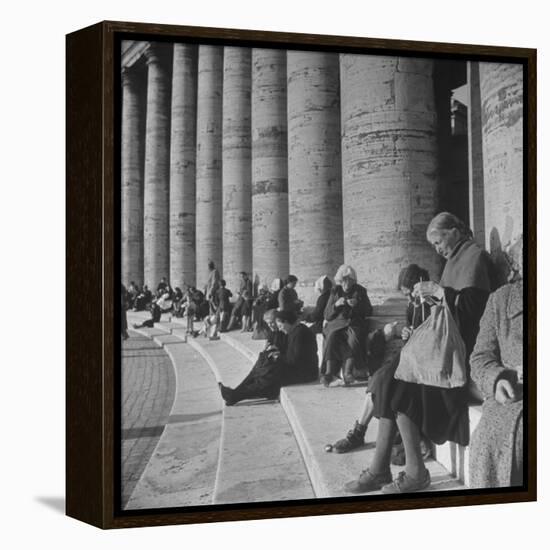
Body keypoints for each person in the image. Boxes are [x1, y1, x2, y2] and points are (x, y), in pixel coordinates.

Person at [345, 212, 493, 495]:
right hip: (443, 347)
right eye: (434, 245)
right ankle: (380, 469)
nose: (438, 249)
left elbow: (475, 311)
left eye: (438, 242)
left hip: (460, 354)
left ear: (454, 230)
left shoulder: (475, 257)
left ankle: (415, 472)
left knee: (400, 385)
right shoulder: (453, 261)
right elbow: (449, 304)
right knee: (387, 378)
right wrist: (434, 297)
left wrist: (439, 292)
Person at [329, 265, 429, 454]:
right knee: (378, 379)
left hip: (424, 361)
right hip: (410, 355)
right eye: (406, 295)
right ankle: (358, 431)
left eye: (411, 294)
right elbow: (411, 329)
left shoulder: (431, 304)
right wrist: (406, 333)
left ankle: (359, 434)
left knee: (383, 381)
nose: (409, 299)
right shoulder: (413, 305)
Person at [469, 238, 523, 488]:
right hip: (511, 399)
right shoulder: (500, 300)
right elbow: (480, 357)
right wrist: (497, 379)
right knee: (488, 444)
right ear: (518, 265)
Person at [219, 310, 288, 405]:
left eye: (272, 323)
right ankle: (234, 393)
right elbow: (267, 348)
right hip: (267, 363)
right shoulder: (272, 333)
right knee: (253, 373)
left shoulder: (283, 332)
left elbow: (284, 352)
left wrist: (274, 351)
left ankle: (234, 395)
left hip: (274, 368)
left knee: (258, 377)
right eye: (268, 323)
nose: (271, 325)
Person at [320, 265, 372, 386]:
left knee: (353, 339)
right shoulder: (335, 291)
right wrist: (336, 305)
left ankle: (348, 372)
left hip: (354, 324)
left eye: (349, 280)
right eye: (343, 280)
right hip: (337, 324)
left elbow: (369, 311)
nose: (346, 283)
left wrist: (357, 305)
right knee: (332, 337)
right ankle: (329, 373)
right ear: (340, 280)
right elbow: (327, 315)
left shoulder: (360, 291)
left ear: (353, 280)